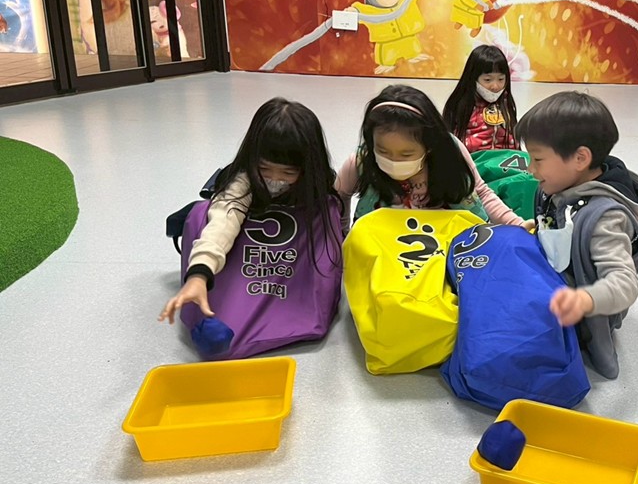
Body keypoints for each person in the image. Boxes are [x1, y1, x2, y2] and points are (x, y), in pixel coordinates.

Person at [159, 97, 343, 324]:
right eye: (264, 168)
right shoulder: (243, 180)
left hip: (285, 252)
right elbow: (223, 222)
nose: (275, 179)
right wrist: (199, 272)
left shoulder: (318, 183)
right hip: (242, 232)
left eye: (288, 172)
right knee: (208, 213)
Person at [517, 92, 638, 379]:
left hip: (577, 310)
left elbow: (625, 283)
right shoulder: (559, 187)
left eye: (537, 159)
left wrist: (585, 300)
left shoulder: (605, 219)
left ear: (580, 158)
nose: (530, 169)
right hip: (557, 282)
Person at [335, 84, 526, 230]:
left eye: (406, 154)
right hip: (382, 244)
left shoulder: (450, 152)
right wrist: (343, 236)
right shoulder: (362, 161)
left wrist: (517, 224)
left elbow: (481, 193)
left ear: (429, 146)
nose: (394, 161)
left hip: (440, 241)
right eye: (383, 151)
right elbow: (337, 197)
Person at [442, 45, 519, 153]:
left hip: (504, 160)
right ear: (473, 78)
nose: (495, 86)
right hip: (473, 160)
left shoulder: (506, 103)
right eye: (487, 80)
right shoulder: (461, 104)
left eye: (501, 79)